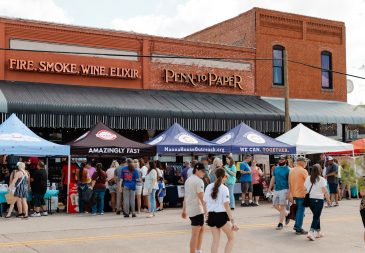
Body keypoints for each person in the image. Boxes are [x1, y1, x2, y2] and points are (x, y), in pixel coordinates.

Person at [204, 168, 239, 253]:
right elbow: (226, 205)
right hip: (221, 216)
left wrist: (206, 213)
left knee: (215, 241)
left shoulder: (208, 186)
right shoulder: (224, 188)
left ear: (215, 176)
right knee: (231, 238)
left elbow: (204, 202)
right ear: (224, 176)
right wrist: (233, 222)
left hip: (211, 216)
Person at [181, 162, 207, 253]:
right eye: (202, 171)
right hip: (197, 210)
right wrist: (206, 212)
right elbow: (202, 197)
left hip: (191, 209)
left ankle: (198, 250)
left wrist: (184, 210)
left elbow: (186, 195)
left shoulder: (188, 180)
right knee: (195, 234)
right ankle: (195, 251)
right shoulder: (199, 181)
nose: (204, 173)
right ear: (196, 170)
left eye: (205, 171)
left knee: (201, 230)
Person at [304, 164, 331, 241]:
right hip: (319, 200)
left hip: (310, 200)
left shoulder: (307, 178)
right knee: (316, 216)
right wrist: (328, 200)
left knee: (316, 215)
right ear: (320, 170)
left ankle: (318, 232)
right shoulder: (321, 179)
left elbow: (305, 189)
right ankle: (311, 232)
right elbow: (325, 191)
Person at [268, 155, 290, 230]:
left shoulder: (288, 169)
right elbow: (273, 178)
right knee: (275, 205)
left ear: (286, 160)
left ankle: (280, 223)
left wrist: (289, 192)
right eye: (279, 159)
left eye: (282, 159)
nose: (280, 160)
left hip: (285, 189)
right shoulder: (276, 168)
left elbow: (290, 182)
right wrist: (269, 188)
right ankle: (287, 214)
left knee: (282, 206)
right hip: (276, 189)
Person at [288, 157, 309, 235]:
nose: (306, 163)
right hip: (302, 194)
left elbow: (289, 183)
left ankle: (297, 225)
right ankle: (298, 228)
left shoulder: (292, 170)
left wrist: (290, 193)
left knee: (299, 210)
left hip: (294, 194)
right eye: (305, 162)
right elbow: (308, 182)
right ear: (301, 162)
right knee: (301, 211)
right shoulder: (303, 171)